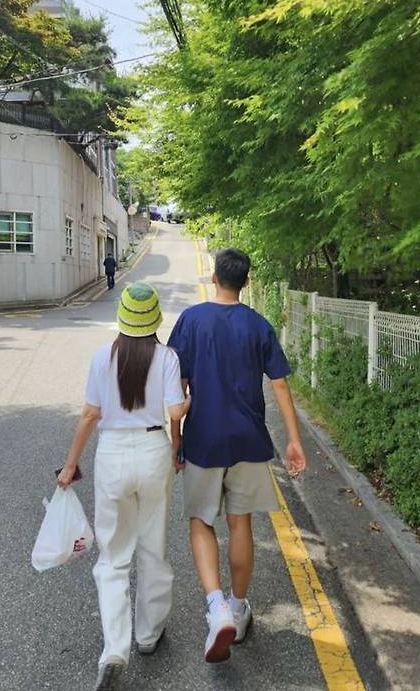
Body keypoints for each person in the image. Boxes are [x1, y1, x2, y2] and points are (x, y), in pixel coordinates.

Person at [168, 248, 306, 663]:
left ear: (214, 278)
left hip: (205, 439)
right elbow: (280, 386)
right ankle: (240, 606)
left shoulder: (191, 321)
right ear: (246, 283)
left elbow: (178, 385)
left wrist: (176, 441)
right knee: (240, 522)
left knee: (200, 521)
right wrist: (294, 440)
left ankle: (216, 608)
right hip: (249, 440)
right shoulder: (258, 325)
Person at [58, 282, 190, 691]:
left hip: (112, 454)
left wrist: (69, 466)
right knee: (153, 547)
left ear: (122, 318)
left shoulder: (103, 357)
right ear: (154, 321)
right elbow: (174, 413)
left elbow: (88, 415)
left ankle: (115, 649)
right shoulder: (167, 358)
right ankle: (148, 636)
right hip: (153, 451)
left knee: (113, 557)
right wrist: (182, 426)